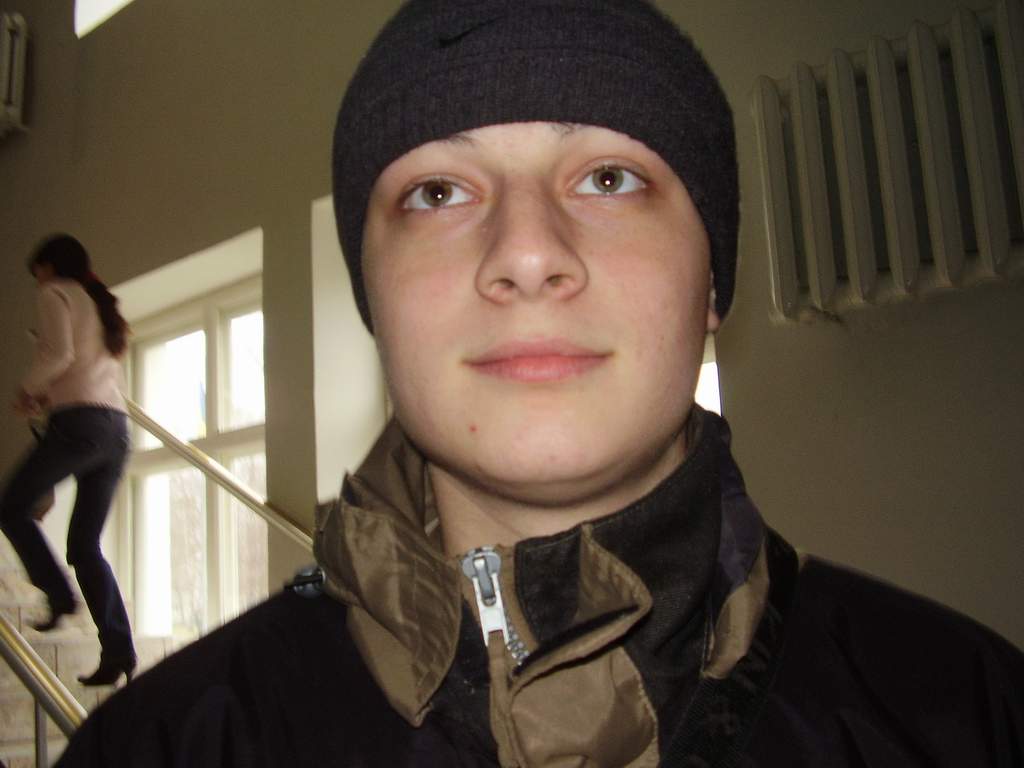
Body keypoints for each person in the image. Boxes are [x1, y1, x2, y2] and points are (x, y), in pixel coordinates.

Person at [57, 0, 1023, 765]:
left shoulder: (972, 717)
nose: (525, 252)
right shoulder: (161, 747)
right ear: (373, 299)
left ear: (711, 283)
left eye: (608, 178)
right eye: (439, 192)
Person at [0, 234, 136, 687]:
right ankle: (118, 652)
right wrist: (47, 398)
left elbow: (60, 354)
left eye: (37, 270)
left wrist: (28, 390)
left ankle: (58, 594)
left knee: (10, 506)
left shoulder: (54, 292)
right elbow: (83, 370)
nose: (36, 279)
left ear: (49, 266)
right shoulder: (97, 301)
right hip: (115, 431)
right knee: (83, 546)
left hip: (80, 426)